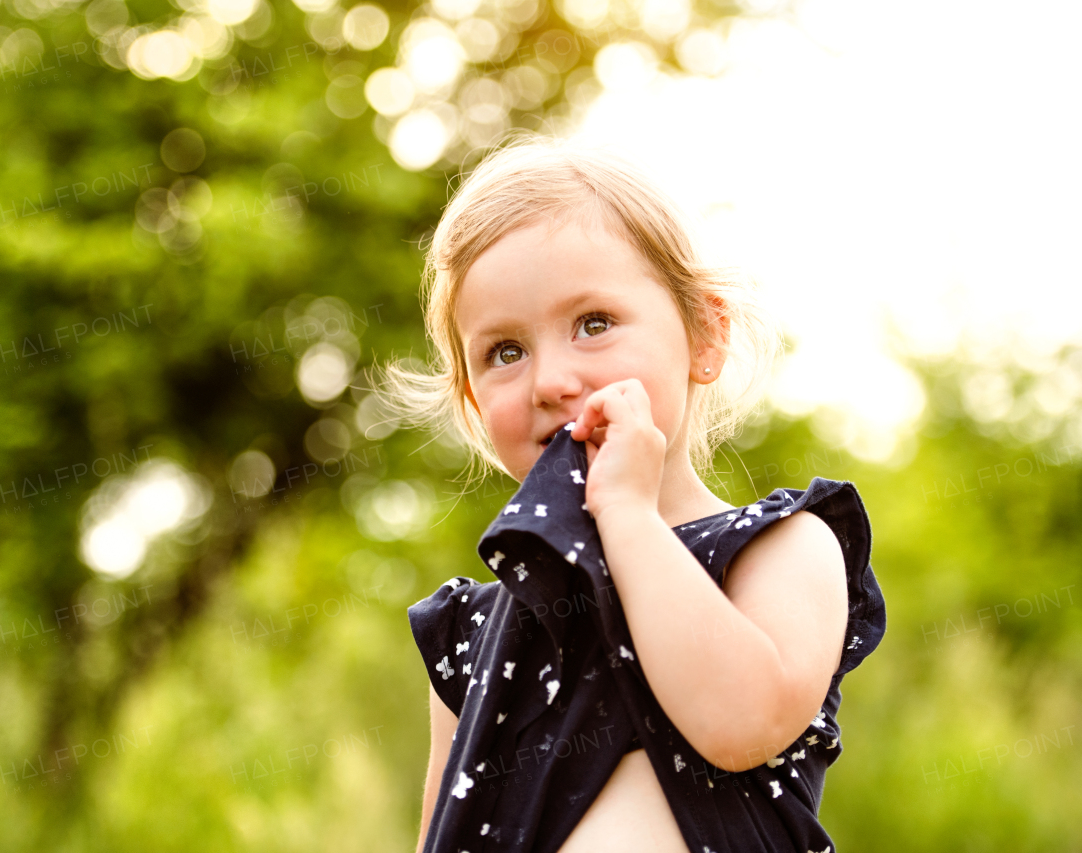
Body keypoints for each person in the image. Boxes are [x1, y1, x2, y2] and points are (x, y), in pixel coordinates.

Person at [375, 134, 886, 853]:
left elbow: (740, 725)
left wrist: (628, 514)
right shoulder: (473, 633)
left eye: (594, 324)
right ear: (473, 402)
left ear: (705, 335)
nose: (551, 380)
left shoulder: (781, 548)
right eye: (506, 352)